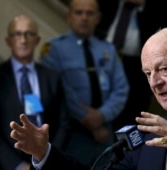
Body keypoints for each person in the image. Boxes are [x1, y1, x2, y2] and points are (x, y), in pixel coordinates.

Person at [10, 27, 167, 170]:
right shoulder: (150, 134)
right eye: (148, 74)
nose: (155, 83)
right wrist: (45, 154)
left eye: (165, 69)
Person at [39, 0, 129, 166]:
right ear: (69, 16)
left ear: (98, 18)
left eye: (89, 13)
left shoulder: (107, 50)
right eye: (79, 13)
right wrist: (87, 119)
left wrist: (101, 115)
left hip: (104, 131)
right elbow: (58, 90)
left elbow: (121, 89)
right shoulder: (54, 50)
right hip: (70, 132)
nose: (84, 18)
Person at [0, 15, 71, 170]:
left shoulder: (53, 77)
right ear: (8, 41)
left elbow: (64, 123)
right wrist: (17, 166)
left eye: (29, 34)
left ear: (38, 40)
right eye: (17, 34)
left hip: (48, 162)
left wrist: (47, 156)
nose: (23, 40)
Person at [96, 0, 167, 130]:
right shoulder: (107, 5)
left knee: (128, 119)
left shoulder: (160, 6)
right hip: (101, 60)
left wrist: (144, 3)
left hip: (136, 68)